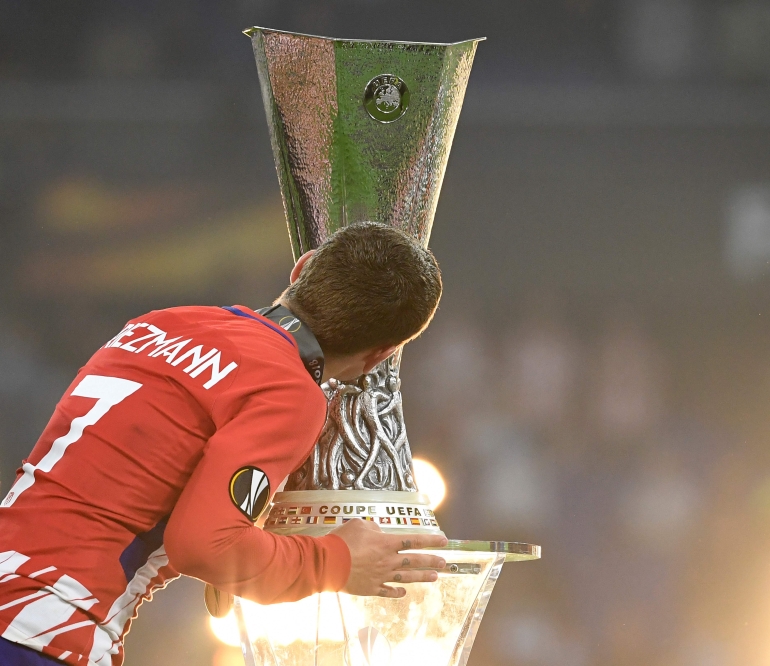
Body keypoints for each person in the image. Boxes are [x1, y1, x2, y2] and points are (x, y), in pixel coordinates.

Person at [0, 221, 449, 666]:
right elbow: (203, 546)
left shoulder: (160, 323)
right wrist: (339, 561)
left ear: (302, 269)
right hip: (45, 628)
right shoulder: (288, 392)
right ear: (381, 355)